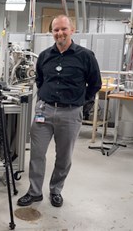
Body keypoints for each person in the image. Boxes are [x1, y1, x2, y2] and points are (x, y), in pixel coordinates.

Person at [17, 15, 102, 207]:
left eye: (63, 29)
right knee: (37, 153)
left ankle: (56, 190)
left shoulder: (85, 56)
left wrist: (81, 102)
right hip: (44, 111)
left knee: (64, 156)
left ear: (72, 30)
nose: (60, 33)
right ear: (52, 32)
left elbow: (95, 84)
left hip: (71, 113)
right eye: (56, 30)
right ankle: (34, 191)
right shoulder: (45, 56)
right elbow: (40, 80)